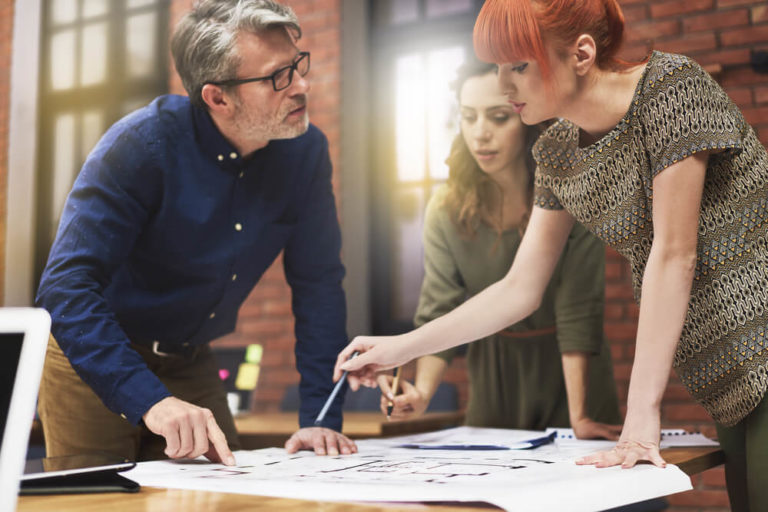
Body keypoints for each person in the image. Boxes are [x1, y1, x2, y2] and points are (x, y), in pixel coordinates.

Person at [336, 1, 768, 510]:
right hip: (725, 372)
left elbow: (675, 255)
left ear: (582, 54)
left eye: (518, 66)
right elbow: (519, 288)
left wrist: (641, 415)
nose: (503, 85)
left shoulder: (671, 88)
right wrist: (402, 346)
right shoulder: (557, 152)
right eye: (498, 67)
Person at [36, 0, 357, 465]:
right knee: (96, 499)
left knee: (226, 495)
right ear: (217, 97)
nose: (303, 86)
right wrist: (150, 400)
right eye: (277, 77)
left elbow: (319, 285)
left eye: (297, 66)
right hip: (94, 356)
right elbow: (65, 286)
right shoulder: (139, 147)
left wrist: (320, 418)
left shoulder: (305, 153)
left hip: (190, 359)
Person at [377, 57, 621, 438]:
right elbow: (439, 306)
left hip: (573, 372)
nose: (480, 134)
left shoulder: (570, 184)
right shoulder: (446, 208)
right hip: (493, 374)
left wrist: (580, 417)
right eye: (468, 116)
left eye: (498, 117)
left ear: (527, 116)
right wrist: (422, 393)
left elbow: (579, 309)